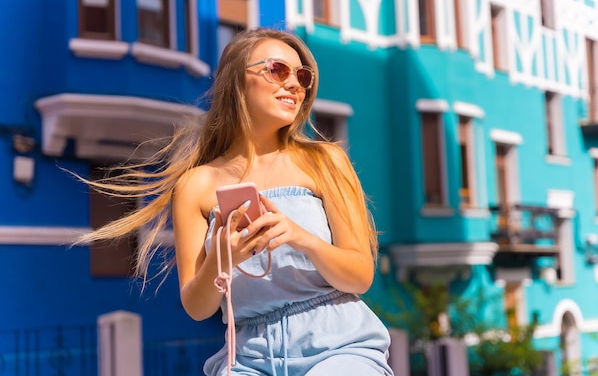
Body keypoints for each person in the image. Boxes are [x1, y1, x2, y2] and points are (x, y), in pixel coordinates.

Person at [78, 27, 394, 376]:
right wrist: (220, 259)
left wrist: (299, 236)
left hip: (339, 346)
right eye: (278, 69)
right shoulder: (195, 185)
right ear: (237, 81)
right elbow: (197, 307)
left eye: (302, 76)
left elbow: (360, 277)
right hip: (247, 356)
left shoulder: (325, 161)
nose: (294, 84)